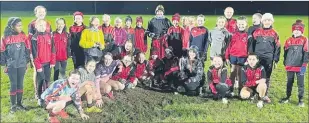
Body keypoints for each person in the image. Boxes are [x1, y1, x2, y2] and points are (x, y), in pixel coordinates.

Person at [1, 17, 31, 113]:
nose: (21, 27)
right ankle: (13, 106)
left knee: (20, 84)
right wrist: (4, 65)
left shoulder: (23, 36)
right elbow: (2, 52)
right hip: (12, 65)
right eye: (18, 25)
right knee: (13, 84)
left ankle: (19, 103)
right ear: (12, 26)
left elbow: (27, 50)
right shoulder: (5, 37)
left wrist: (26, 62)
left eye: (21, 25)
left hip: (21, 64)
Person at [249, 13, 281, 103]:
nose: (267, 22)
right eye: (265, 20)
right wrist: (251, 56)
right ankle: (255, 93)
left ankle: (264, 94)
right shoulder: (256, 32)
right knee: (255, 75)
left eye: (269, 20)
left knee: (266, 77)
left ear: (272, 21)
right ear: (262, 21)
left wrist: (275, 59)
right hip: (257, 58)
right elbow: (252, 45)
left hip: (268, 58)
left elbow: (278, 47)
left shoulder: (274, 33)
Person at [280, 19, 308, 107]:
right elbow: (285, 52)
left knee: (300, 83)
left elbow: (307, 53)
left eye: (299, 30)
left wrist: (304, 64)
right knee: (289, 82)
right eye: (295, 30)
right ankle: (287, 97)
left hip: (301, 66)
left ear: (302, 31)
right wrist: (285, 62)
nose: (296, 31)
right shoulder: (288, 40)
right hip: (290, 66)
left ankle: (301, 99)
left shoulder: (305, 40)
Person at [28, 5, 52, 100]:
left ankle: (45, 90)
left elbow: (50, 38)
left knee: (45, 74)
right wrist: (31, 54)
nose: (41, 13)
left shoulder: (48, 23)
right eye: (39, 12)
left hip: (46, 54)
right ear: (36, 13)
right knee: (37, 71)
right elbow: (30, 39)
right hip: (35, 53)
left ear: (45, 13)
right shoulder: (32, 24)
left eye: (43, 12)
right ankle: (37, 91)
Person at [31, 19, 56, 107]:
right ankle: (39, 98)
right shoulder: (34, 38)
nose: (42, 27)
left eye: (44, 25)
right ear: (36, 27)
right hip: (40, 64)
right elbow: (34, 54)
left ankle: (47, 96)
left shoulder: (49, 36)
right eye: (40, 25)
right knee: (40, 81)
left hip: (48, 63)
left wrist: (53, 61)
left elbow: (53, 49)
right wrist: (38, 66)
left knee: (47, 80)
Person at [225, 16, 249, 95]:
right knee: (232, 73)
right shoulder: (233, 34)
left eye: (242, 24)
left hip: (243, 57)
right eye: (239, 24)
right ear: (236, 24)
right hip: (233, 56)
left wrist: (248, 58)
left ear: (246, 24)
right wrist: (227, 56)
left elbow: (250, 48)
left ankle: (240, 90)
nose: (241, 26)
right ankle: (230, 90)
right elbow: (229, 46)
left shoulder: (248, 35)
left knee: (240, 74)